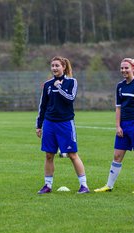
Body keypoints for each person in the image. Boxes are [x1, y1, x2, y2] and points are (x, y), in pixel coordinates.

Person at [94, 58, 134, 193]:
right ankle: (109, 185)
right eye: (122, 68)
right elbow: (118, 108)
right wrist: (118, 126)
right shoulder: (120, 86)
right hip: (123, 125)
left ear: (133, 68)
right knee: (117, 155)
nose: (124, 70)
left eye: (126, 68)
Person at [35, 56, 89, 194]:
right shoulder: (47, 85)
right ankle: (47, 185)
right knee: (48, 155)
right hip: (49, 123)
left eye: (57, 65)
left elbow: (70, 98)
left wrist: (59, 88)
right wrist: (39, 125)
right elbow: (43, 105)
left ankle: (84, 186)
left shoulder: (71, 82)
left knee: (72, 154)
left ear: (63, 67)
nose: (54, 68)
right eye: (52, 65)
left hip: (65, 123)